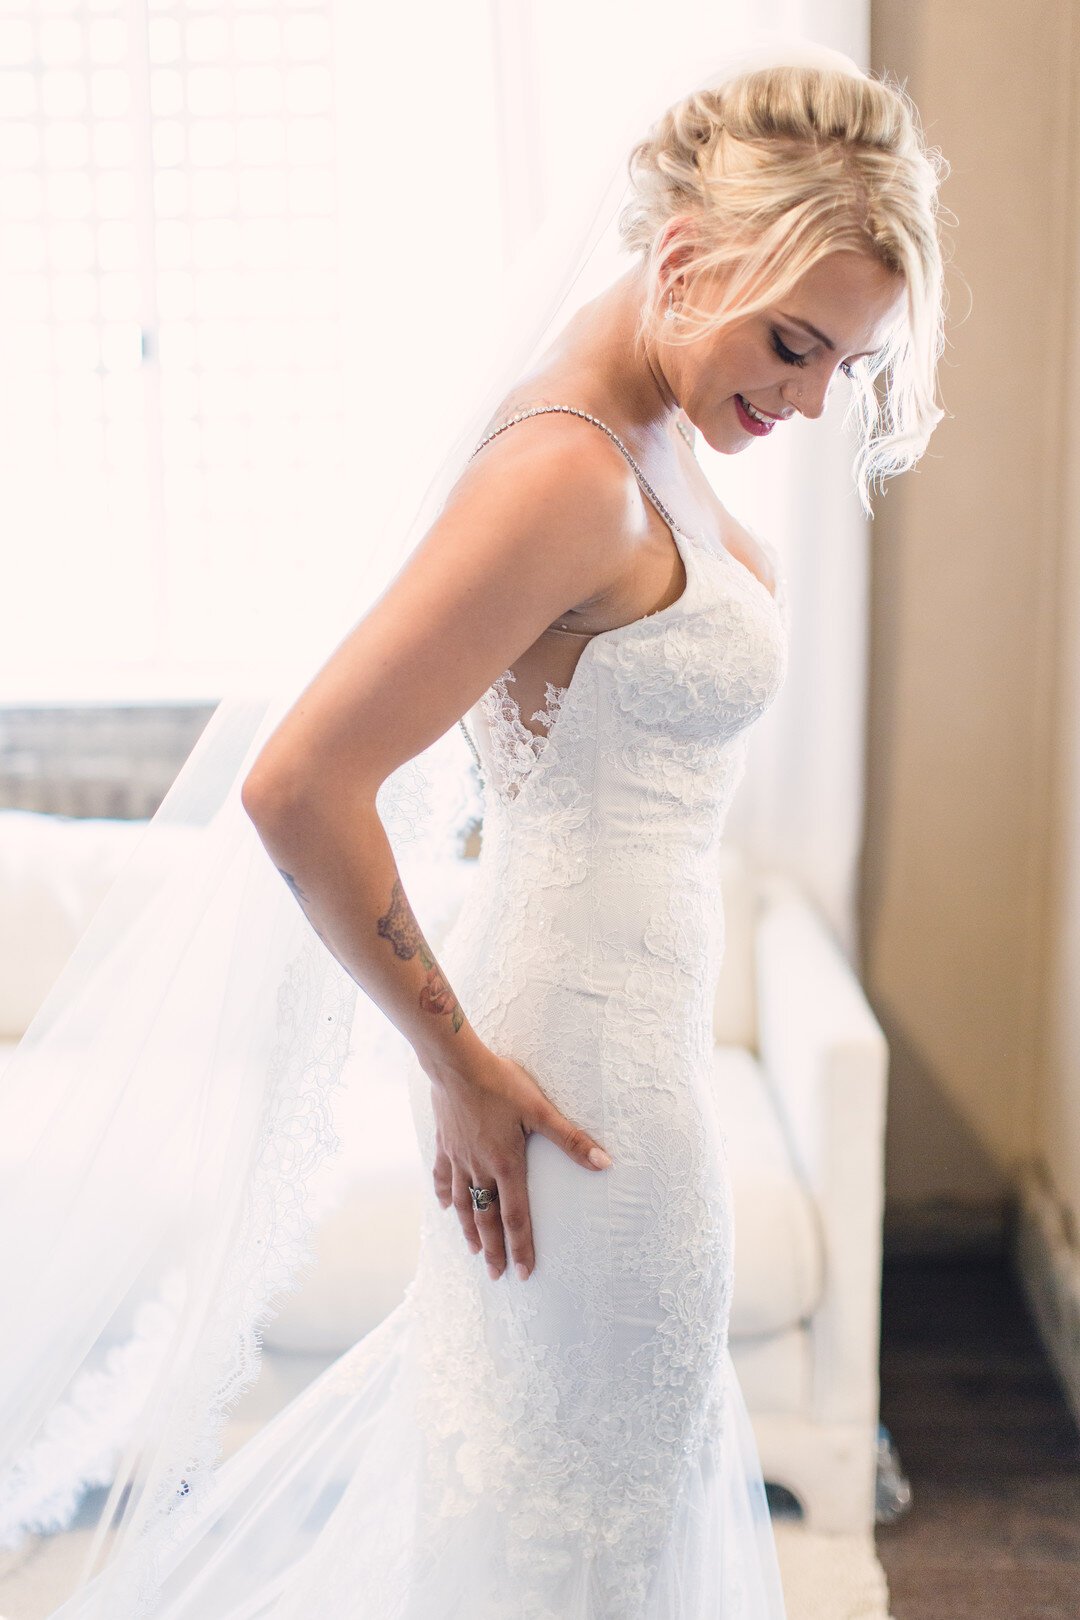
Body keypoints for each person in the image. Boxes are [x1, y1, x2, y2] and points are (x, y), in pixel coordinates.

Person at [0, 46, 948, 1620]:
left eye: (839, 368)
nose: (801, 400)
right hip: (577, 1094)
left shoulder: (653, 439)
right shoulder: (568, 472)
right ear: (689, 256)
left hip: (615, 1054)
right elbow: (300, 783)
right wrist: (457, 1068)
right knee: (579, 1511)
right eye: (792, 345)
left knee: (588, 1502)